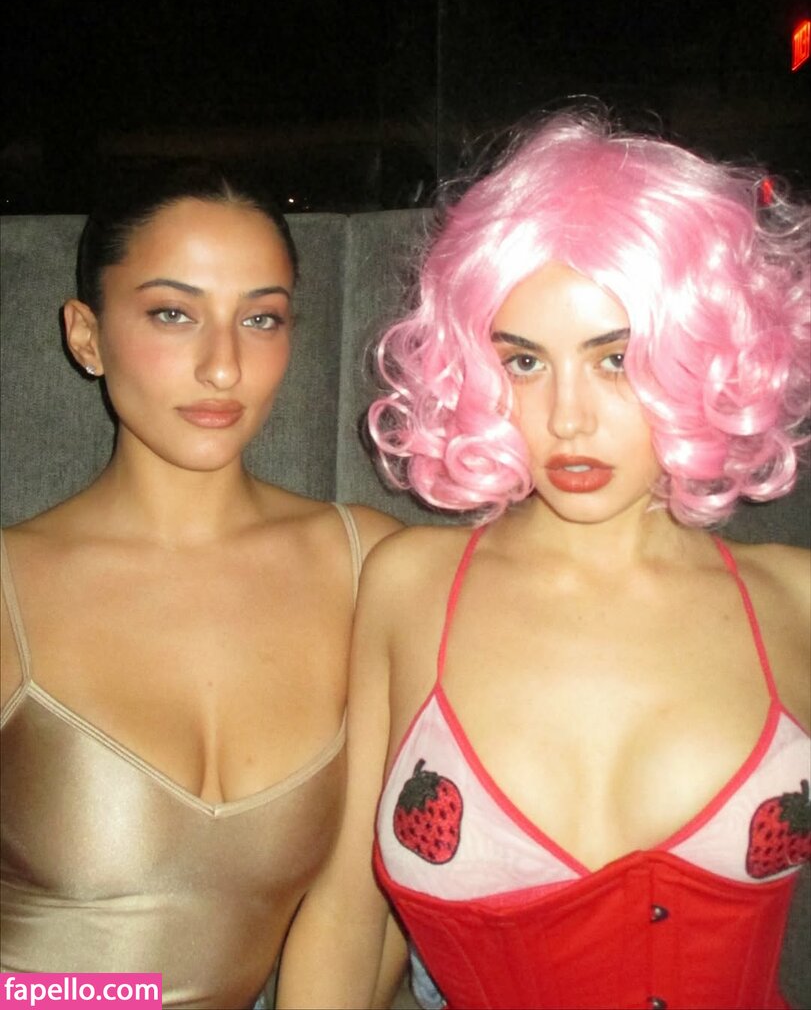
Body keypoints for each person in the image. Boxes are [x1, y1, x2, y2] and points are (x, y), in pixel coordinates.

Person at [276, 110, 811, 1010]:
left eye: (615, 359)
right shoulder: (409, 584)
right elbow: (345, 915)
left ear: (705, 354)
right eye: (524, 363)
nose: (566, 419)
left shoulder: (795, 601)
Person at [0, 164, 399, 1009]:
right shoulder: (8, 588)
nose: (223, 367)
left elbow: (377, 902)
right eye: (173, 314)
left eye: (260, 319)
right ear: (86, 335)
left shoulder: (371, 566)